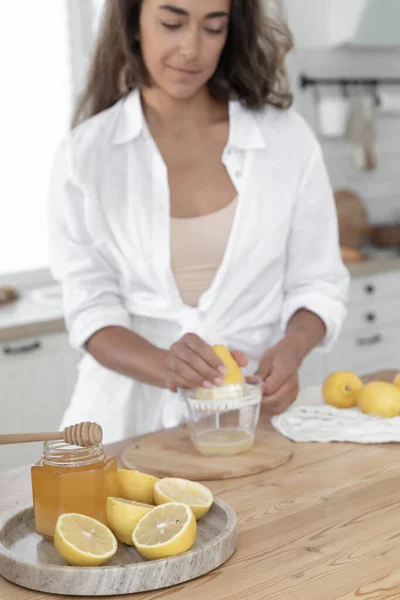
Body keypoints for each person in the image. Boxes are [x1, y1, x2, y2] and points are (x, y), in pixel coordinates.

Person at [48, 0, 349, 444]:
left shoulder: (287, 142)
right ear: (133, 25)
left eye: (213, 28)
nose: (191, 49)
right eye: (172, 23)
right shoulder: (86, 156)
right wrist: (163, 363)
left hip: (252, 423)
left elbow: (319, 283)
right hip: (121, 428)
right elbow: (90, 308)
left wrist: (291, 349)